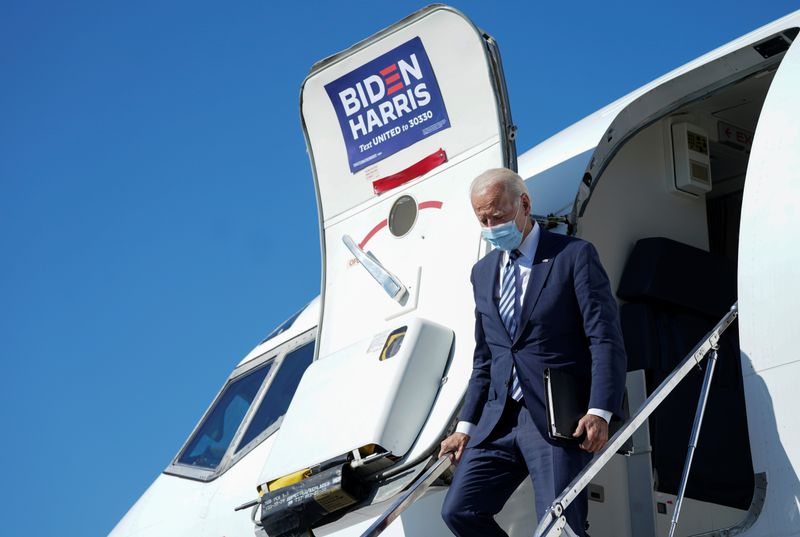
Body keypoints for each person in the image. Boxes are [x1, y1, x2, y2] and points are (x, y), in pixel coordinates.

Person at [439, 168, 627, 536]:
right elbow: (486, 358)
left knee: (559, 526)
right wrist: (465, 427)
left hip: (556, 417)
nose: (491, 226)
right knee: (459, 510)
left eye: (497, 215)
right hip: (498, 421)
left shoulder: (573, 256)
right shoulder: (482, 273)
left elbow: (604, 338)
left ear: (524, 204)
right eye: (483, 219)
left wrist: (600, 410)